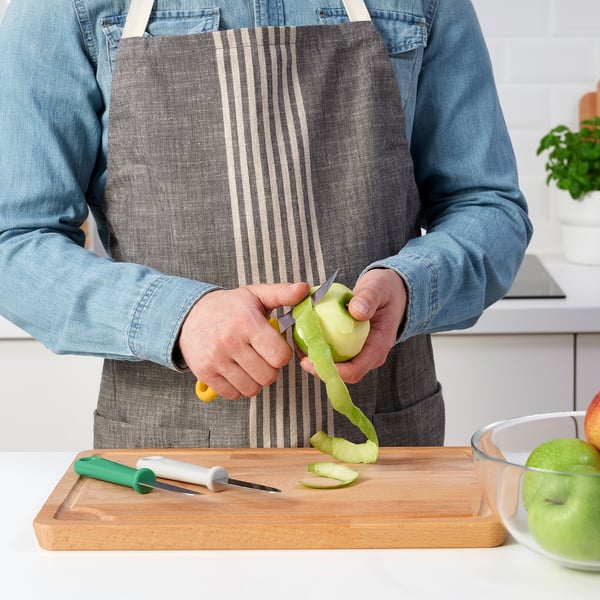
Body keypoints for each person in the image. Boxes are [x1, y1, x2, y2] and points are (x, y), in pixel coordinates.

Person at [0, 0, 532, 449]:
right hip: (168, 461)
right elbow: (15, 240)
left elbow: (488, 205)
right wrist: (175, 317)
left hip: (385, 451)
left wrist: (411, 287)